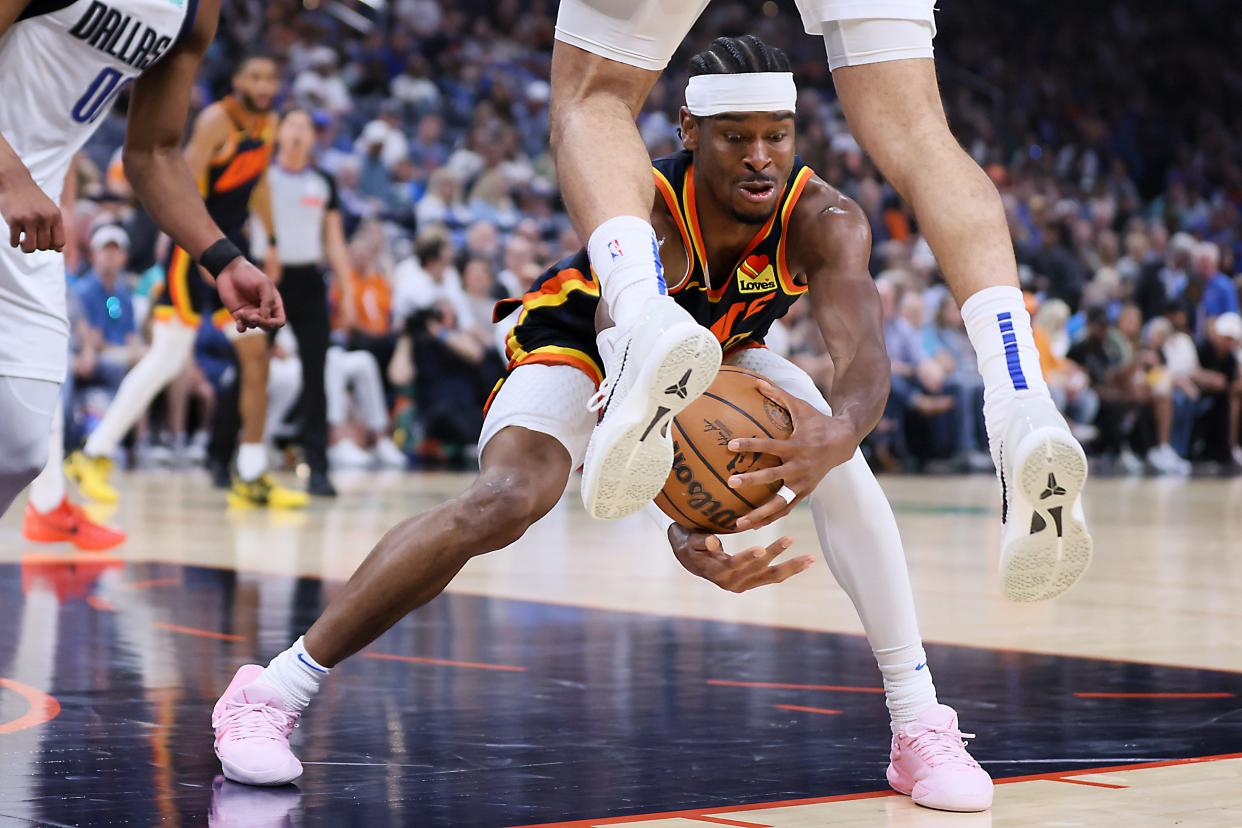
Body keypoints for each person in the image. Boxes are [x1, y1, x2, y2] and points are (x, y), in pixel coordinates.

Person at [211, 41, 994, 814]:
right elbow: (637, 370)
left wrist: (842, 429)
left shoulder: (826, 218)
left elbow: (861, 353)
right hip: (588, 335)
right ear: (688, 131)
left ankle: (919, 723)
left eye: (776, 135)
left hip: (719, 354)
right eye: (735, 137)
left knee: (837, 456)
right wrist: (682, 519)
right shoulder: (649, 206)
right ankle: (272, 690)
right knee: (508, 500)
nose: (760, 157)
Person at [548, 0, 1092, 602]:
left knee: (596, 96)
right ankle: (1020, 398)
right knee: (920, 134)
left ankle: (641, 312)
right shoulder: (765, 208)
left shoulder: (821, 216)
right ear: (693, 132)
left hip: (667, 321)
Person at [0, 0, 282, 519]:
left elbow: (153, 152)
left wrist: (221, 257)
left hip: (28, 222)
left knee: (19, 447)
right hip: (14, 187)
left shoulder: (196, 12)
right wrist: (10, 178)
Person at [63, 54, 305, 510]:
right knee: (170, 356)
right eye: (255, 73)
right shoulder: (217, 120)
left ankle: (251, 471)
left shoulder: (269, 123)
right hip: (196, 247)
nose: (264, 82)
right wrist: (204, 253)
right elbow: (182, 184)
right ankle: (93, 452)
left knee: (257, 355)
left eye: (271, 75)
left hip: (231, 250)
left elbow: (258, 187)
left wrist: (270, 240)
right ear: (237, 79)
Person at [263, 108, 356, 496]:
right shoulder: (262, 177)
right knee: (251, 368)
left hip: (308, 281)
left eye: (306, 127)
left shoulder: (323, 182)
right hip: (266, 278)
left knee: (318, 374)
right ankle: (227, 454)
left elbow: (334, 241)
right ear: (279, 131)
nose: (299, 132)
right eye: (292, 123)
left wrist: (348, 289)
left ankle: (317, 465)